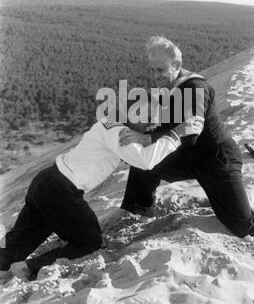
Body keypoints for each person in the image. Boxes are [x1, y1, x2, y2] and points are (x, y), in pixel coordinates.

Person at [119, 36, 254, 238]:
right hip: (191, 156)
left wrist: (145, 139)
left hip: (218, 161)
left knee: (242, 224)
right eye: (152, 70)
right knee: (144, 161)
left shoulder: (194, 89)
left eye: (160, 70)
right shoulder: (173, 85)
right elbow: (171, 128)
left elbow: (190, 134)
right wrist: (136, 141)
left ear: (176, 65)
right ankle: (140, 212)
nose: (155, 75)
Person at [0, 112, 194, 280]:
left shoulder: (108, 123)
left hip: (46, 181)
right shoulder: (120, 132)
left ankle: (13, 261)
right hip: (61, 190)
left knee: (14, 249)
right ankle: (28, 268)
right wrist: (175, 136)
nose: (150, 126)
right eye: (148, 121)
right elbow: (145, 161)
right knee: (90, 241)